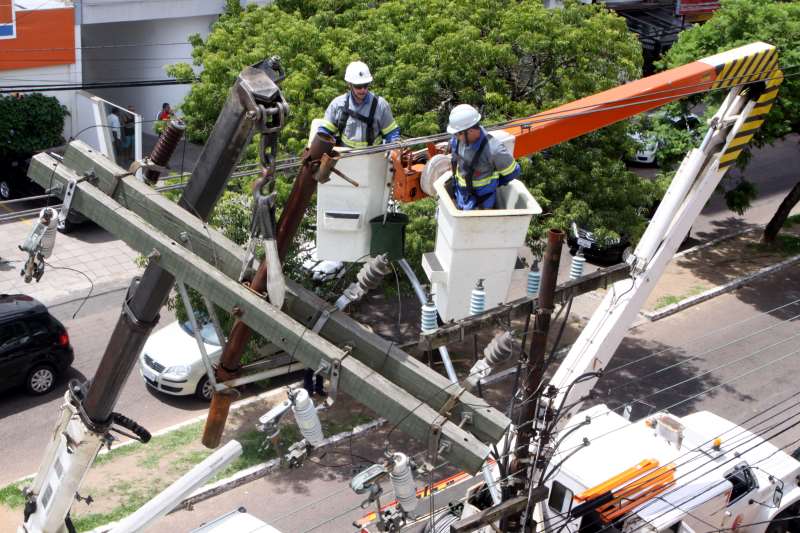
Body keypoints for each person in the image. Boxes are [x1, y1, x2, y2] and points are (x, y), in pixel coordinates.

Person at [447, 104, 521, 210]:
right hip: (460, 193)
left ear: (470, 131)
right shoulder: (457, 140)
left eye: (458, 134)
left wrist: (494, 184)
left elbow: (513, 172)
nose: (455, 137)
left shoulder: (494, 150)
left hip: (480, 201)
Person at [318, 61, 400, 148]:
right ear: (350, 85)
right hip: (346, 156)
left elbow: (392, 133)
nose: (363, 90)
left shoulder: (380, 105)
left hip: (373, 156)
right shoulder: (338, 105)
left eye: (365, 85)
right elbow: (324, 132)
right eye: (358, 86)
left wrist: (394, 148)